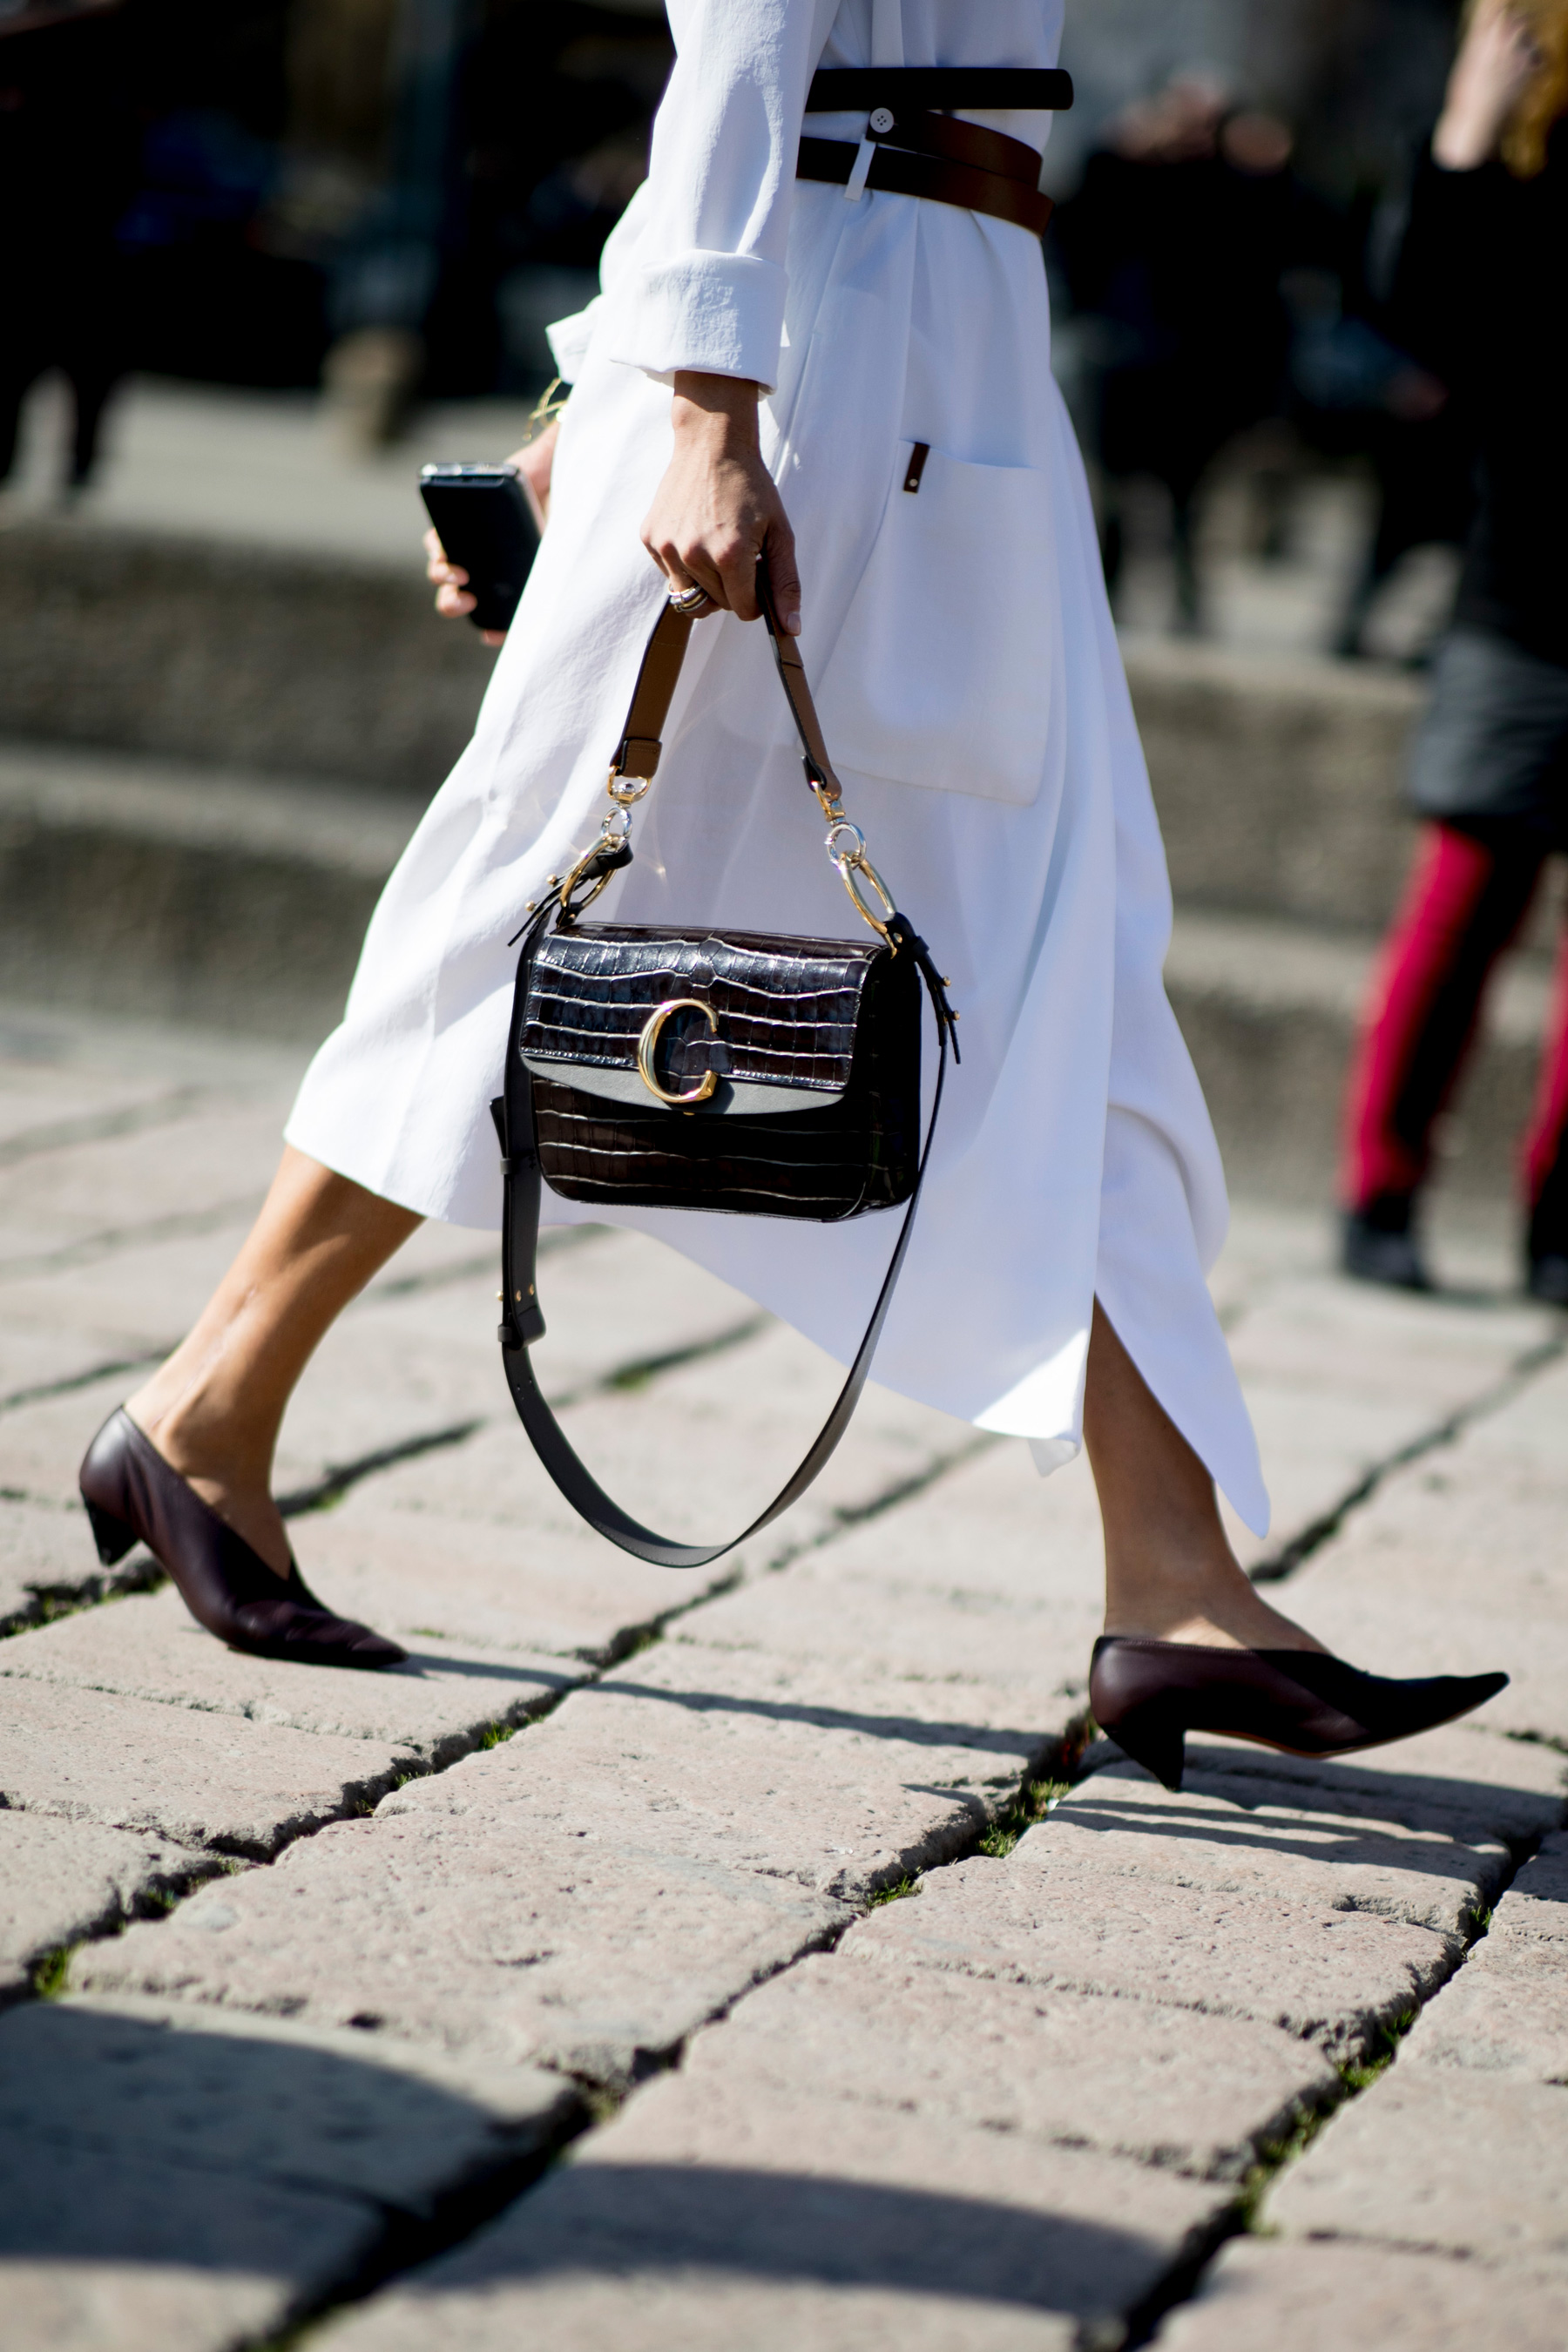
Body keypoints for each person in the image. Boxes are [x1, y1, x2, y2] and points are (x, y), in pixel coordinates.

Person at [81, 1, 1503, 1790]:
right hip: (833, 378)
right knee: (531, 918)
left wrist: (606, 393)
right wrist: (695, 413)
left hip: (935, 352)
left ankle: (1176, 1578)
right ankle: (205, 1407)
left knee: (1058, 965)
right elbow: (747, 38)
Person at [1340, 0, 1568, 1301]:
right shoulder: (1525, 192)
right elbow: (1417, 304)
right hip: (1523, 610)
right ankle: (1381, 1193)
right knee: (1462, 913)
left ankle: (1561, 1235)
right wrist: (1465, 138)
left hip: (1517, 611)